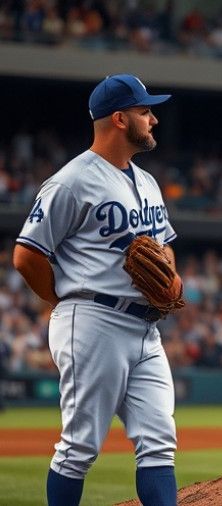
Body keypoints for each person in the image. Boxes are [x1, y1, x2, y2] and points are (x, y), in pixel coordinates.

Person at [13, 74, 179, 505]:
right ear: (120, 119)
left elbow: (164, 248)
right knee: (80, 446)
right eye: (145, 111)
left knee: (160, 442)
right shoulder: (71, 180)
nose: (154, 119)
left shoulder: (146, 181)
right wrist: (65, 300)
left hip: (146, 327)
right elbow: (26, 255)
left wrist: (172, 278)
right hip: (93, 320)